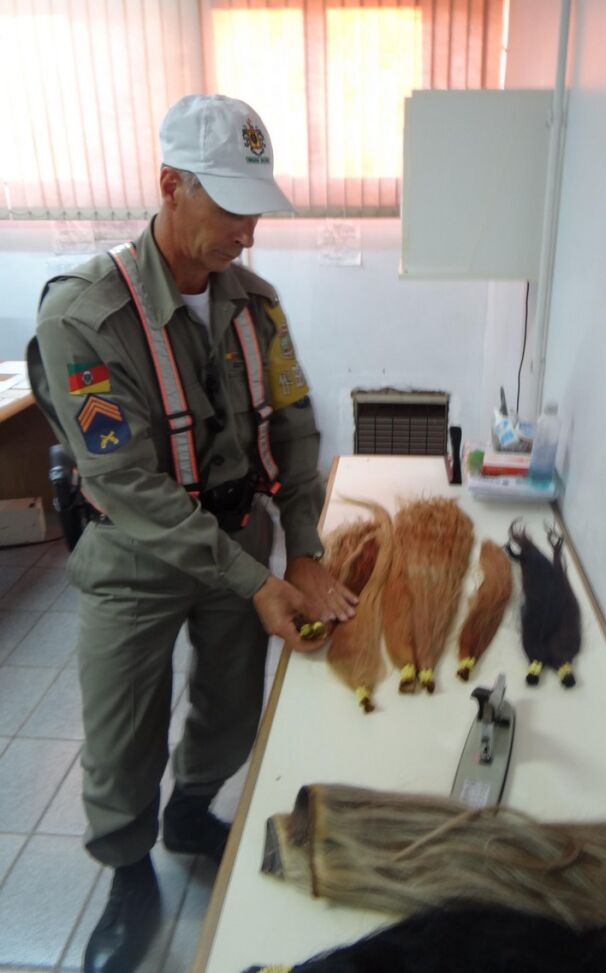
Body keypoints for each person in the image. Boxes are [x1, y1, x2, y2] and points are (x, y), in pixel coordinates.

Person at [27, 93, 357, 973]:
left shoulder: (258, 304)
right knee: (122, 726)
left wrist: (305, 547)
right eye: (228, 204)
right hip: (135, 555)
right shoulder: (82, 317)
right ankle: (128, 871)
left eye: (256, 205)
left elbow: (292, 422)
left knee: (230, 697)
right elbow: (124, 482)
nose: (248, 228)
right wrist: (259, 579)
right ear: (168, 184)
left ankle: (193, 808)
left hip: (239, 536)